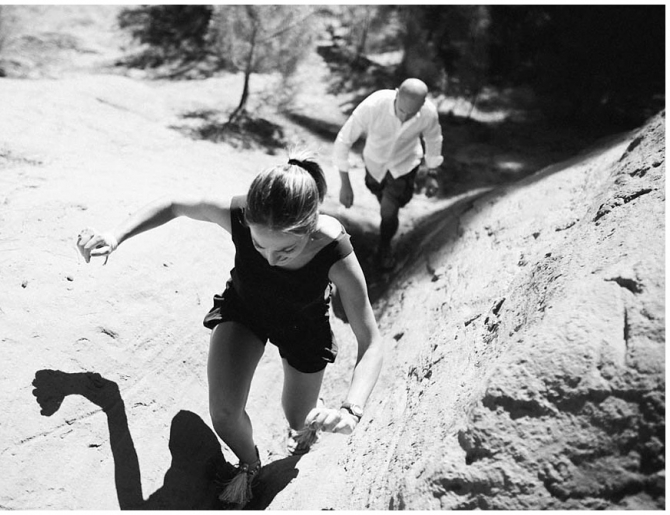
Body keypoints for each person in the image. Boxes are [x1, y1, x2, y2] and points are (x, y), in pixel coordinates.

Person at [76, 149, 384, 507]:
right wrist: (115, 235)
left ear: (310, 227)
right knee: (223, 413)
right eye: (258, 244)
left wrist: (351, 410)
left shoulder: (335, 252)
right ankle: (250, 465)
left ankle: (301, 440)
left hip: (303, 327)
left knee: (299, 419)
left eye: (285, 251)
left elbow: (371, 341)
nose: (270, 259)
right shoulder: (239, 214)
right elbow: (176, 203)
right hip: (246, 311)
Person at [333, 78, 444, 270]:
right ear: (396, 93)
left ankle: (384, 247)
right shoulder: (374, 104)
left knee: (388, 209)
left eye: (412, 112)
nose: (405, 116)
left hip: (404, 166)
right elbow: (344, 139)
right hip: (374, 163)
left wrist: (432, 173)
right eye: (402, 110)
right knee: (383, 201)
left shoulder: (428, 113)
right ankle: (387, 225)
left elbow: (433, 140)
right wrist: (345, 183)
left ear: (423, 104)